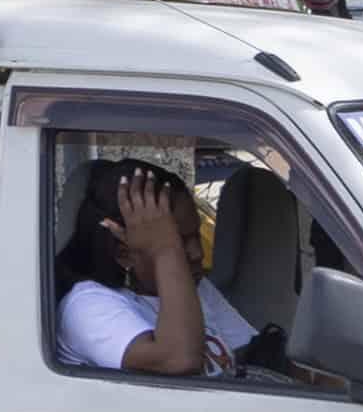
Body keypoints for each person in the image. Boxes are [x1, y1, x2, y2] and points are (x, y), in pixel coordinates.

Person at [53, 156, 257, 378]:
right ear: (124, 254)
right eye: (179, 242)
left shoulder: (196, 287)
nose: (198, 253)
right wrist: (166, 250)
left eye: (195, 236)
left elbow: (248, 355)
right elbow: (179, 360)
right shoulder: (87, 306)